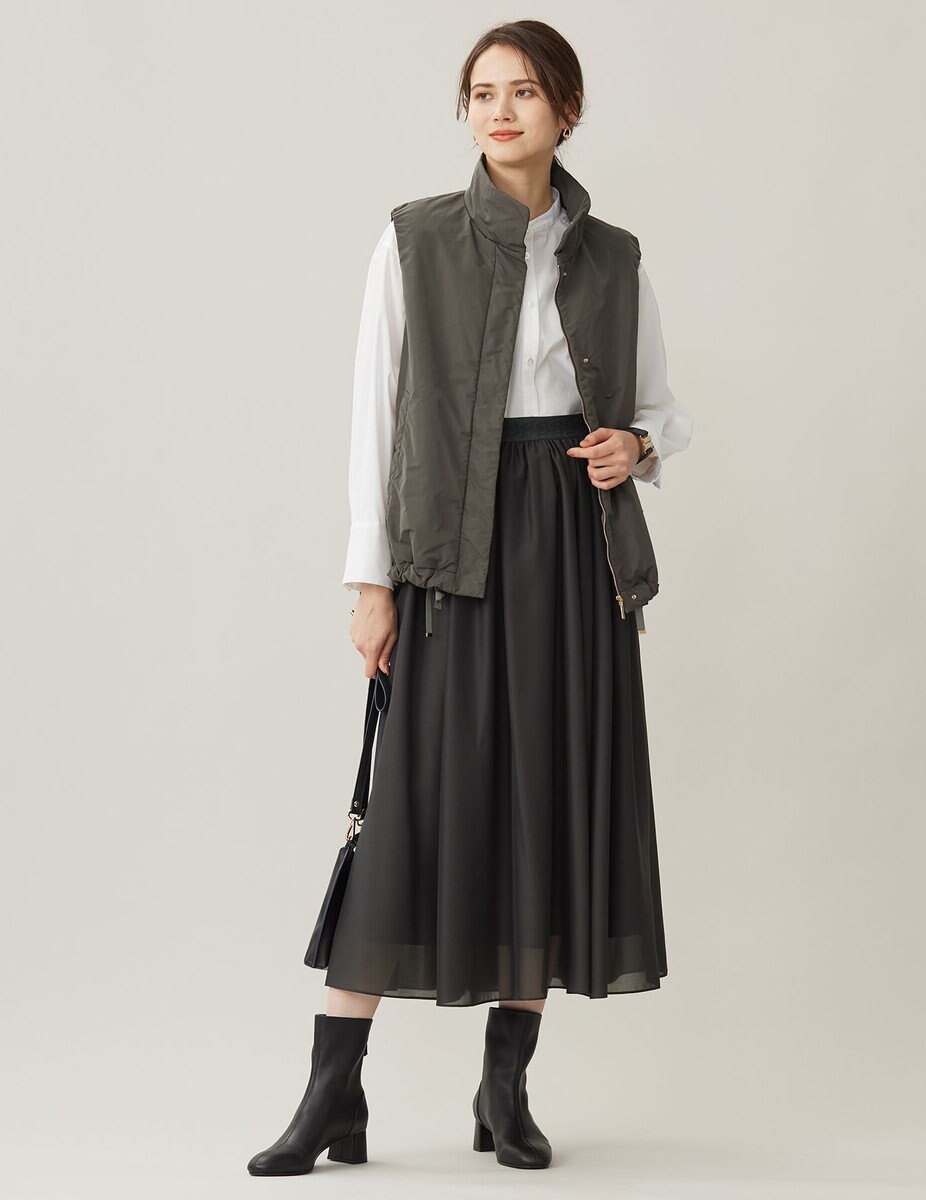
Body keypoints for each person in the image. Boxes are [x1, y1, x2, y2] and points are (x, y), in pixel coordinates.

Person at [247, 19, 692, 1178]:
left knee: (541, 799)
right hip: (453, 543)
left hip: (574, 548)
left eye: (524, 92)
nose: (500, 111)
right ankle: (330, 1092)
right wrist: (369, 580)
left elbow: (659, 410)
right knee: (410, 806)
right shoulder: (414, 239)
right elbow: (375, 420)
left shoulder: (614, 257)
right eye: (482, 92)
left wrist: (634, 448)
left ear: (566, 111)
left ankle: (505, 1088)